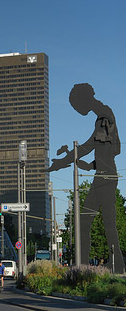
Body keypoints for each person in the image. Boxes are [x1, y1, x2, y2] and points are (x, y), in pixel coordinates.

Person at [47, 83, 124, 274]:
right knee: (94, 221)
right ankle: (107, 264)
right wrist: (82, 163)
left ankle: (90, 266)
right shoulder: (104, 115)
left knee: (96, 221)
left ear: (83, 99)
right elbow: (114, 149)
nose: (77, 109)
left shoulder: (104, 116)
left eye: (75, 105)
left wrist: (65, 159)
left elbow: (88, 147)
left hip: (105, 178)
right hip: (104, 175)